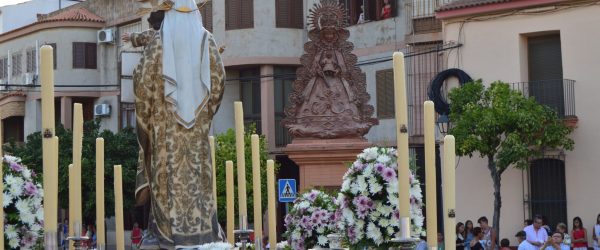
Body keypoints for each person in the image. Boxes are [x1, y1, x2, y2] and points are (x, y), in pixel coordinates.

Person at [123, 0, 226, 248]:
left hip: (164, 132)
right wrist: (203, 115)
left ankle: (167, 233)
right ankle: (204, 233)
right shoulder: (208, 41)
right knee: (199, 181)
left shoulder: (157, 45)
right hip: (197, 136)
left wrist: (151, 116)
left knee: (166, 182)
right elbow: (219, 82)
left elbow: (143, 86)